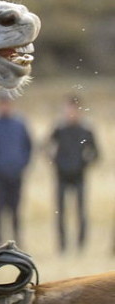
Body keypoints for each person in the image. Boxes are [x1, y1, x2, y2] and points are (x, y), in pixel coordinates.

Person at [47, 94, 99, 252]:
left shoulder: (86, 129)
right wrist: (56, 162)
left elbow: (96, 153)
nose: (70, 112)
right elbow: (46, 146)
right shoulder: (59, 129)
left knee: (81, 211)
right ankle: (62, 245)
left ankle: (80, 245)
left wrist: (84, 163)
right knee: (61, 212)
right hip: (61, 175)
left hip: (79, 176)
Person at [0, 92, 32, 245]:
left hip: (16, 174)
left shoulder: (20, 124)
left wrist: (22, 164)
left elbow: (28, 146)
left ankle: (17, 239)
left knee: (16, 209)